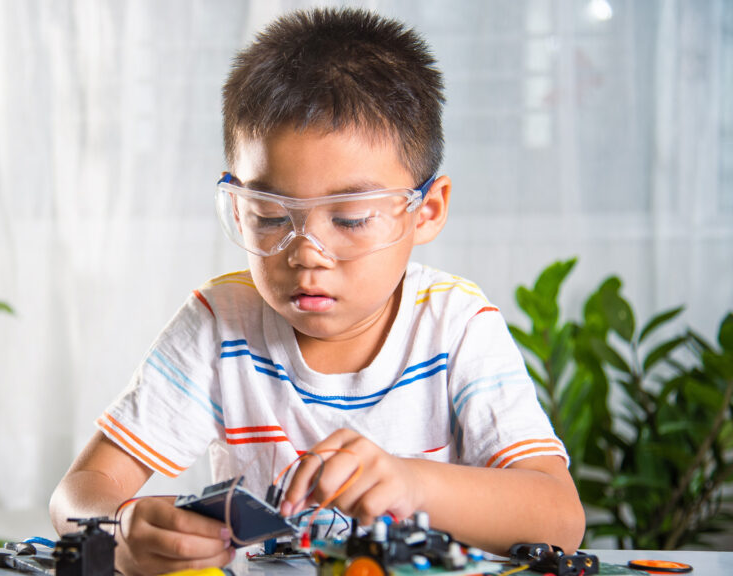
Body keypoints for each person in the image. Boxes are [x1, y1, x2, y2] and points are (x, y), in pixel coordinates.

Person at [49, 7, 584, 575]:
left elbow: (559, 518)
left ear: (425, 211)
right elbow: (77, 494)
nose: (306, 252)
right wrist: (119, 531)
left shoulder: (457, 325)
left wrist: (413, 483)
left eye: (350, 219)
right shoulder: (219, 323)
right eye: (270, 215)